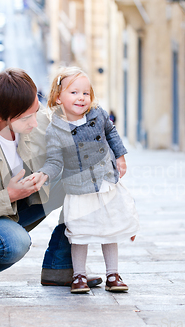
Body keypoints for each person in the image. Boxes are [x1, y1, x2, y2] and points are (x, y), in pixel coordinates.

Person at [0, 68, 101, 291]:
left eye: (36, 111)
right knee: (15, 243)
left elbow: (80, 124)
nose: (35, 123)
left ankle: (60, 266)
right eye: (27, 118)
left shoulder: (36, 119)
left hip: (19, 205)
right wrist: (9, 196)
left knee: (80, 176)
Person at [28, 67, 140, 294]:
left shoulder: (98, 115)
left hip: (105, 182)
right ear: (58, 97)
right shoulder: (55, 130)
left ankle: (113, 274)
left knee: (110, 229)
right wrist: (44, 174)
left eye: (86, 93)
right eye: (74, 92)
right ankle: (78, 275)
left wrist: (120, 157)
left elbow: (111, 132)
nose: (81, 98)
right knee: (79, 232)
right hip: (78, 188)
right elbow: (54, 161)